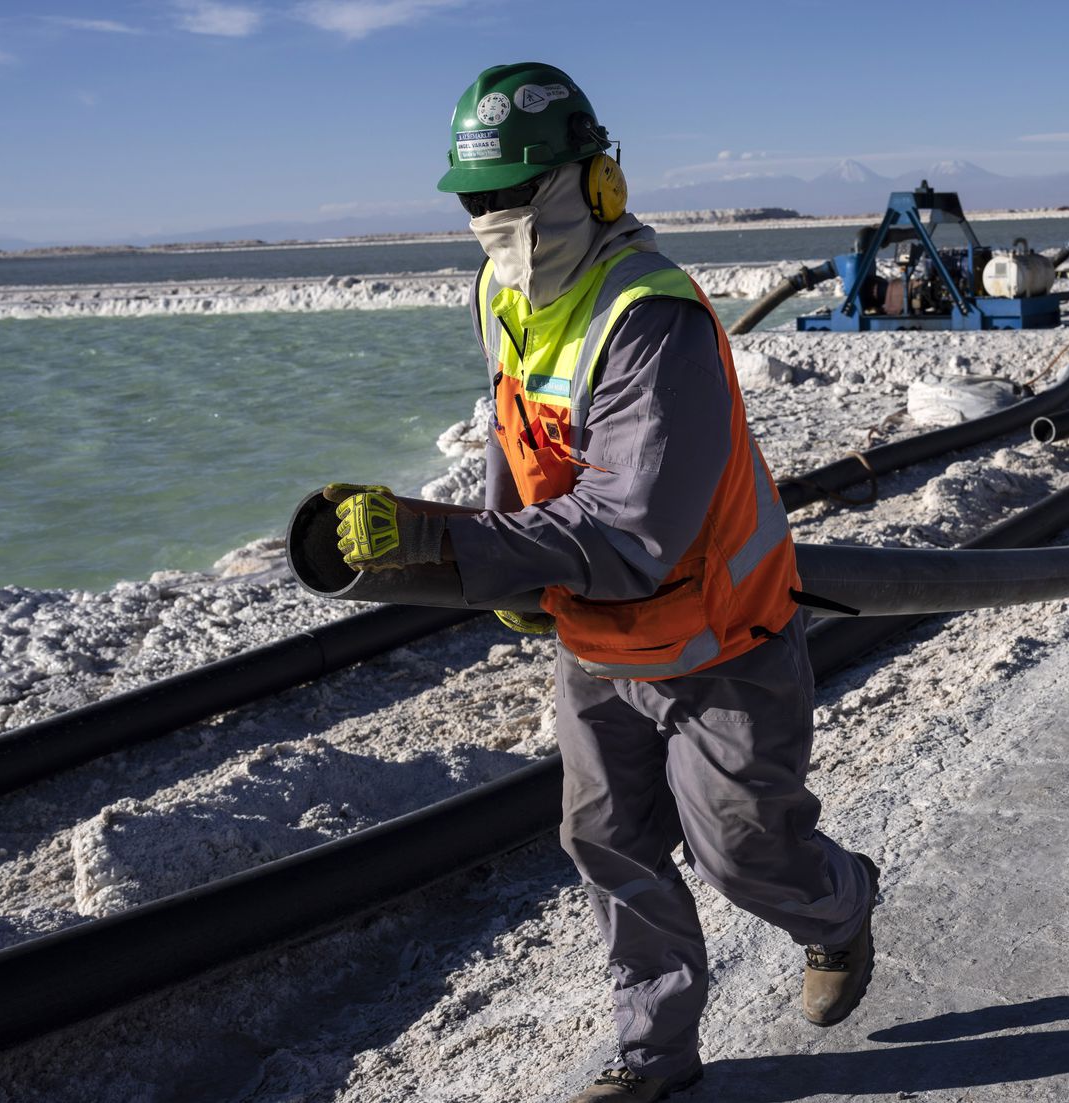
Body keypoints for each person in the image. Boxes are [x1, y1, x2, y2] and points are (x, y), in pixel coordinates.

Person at [322, 62, 880, 1102]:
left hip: (720, 642)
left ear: (598, 183)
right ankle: (652, 1057)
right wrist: (500, 553)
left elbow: (636, 532)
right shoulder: (500, 292)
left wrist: (450, 543)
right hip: (594, 642)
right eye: (478, 198)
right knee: (609, 843)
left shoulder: (650, 317)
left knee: (743, 855)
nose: (496, 218)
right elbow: (512, 427)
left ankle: (839, 907)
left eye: (517, 192)